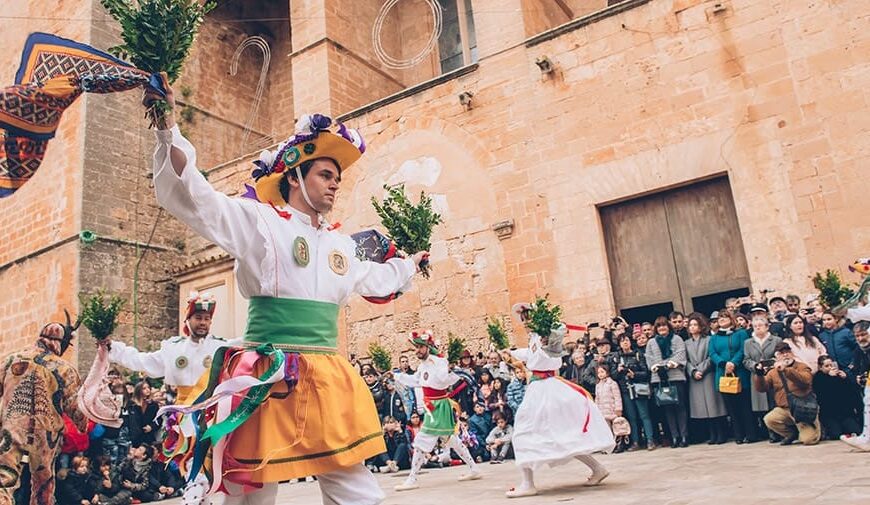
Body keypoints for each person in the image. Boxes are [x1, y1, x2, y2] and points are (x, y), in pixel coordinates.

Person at [142, 75, 429, 505]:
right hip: (266, 376)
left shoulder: (339, 244)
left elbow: (376, 279)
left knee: (356, 488)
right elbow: (199, 200)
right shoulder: (260, 223)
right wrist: (168, 128)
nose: (334, 184)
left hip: (327, 377)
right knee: (248, 493)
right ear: (295, 176)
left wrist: (409, 264)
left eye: (337, 178)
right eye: (326, 175)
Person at [504, 303, 614, 498]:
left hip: (546, 389)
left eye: (527, 318)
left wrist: (550, 336)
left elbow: (554, 344)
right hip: (541, 388)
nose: (525, 322)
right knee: (562, 434)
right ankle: (597, 468)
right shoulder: (535, 337)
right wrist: (512, 352)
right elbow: (531, 355)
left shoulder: (548, 336)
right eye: (523, 319)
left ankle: (528, 483)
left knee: (522, 432)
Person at [0, 316, 86, 505]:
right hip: (46, 435)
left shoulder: (10, 360)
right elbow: (75, 406)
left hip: (11, 427)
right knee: (43, 482)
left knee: (5, 477)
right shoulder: (64, 368)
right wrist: (83, 424)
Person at [393, 331, 481, 491]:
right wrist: (397, 377)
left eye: (420, 347)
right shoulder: (423, 366)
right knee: (452, 440)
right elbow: (416, 380)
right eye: (416, 347)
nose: (417, 350)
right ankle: (474, 468)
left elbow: (443, 380)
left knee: (421, 442)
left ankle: (412, 479)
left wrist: (449, 368)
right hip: (432, 407)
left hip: (438, 407)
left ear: (428, 347)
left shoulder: (439, 362)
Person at [107, 291, 228, 404]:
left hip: (212, 413)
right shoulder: (174, 349)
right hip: (183, 413)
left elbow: (246, 346)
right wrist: (112, 348)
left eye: (207, 319)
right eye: (198, 318)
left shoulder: (221, 347)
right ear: (187, 320)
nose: (203, 322)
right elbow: (143, 361)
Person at [754, 342, 820, 445]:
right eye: (781, 353)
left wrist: (786, 370)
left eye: (787, 352)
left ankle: (815, 429)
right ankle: (790, 434)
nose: (785, 355)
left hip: (802, 407)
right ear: (777, 356)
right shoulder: (773, 372)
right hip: (785, 408)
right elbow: (762, 388)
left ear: (792, 353)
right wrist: (759, 375)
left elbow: (805, 381)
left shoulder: (802, 366)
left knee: (808, 440)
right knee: (769, 419)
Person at [710, 310, 756, 444]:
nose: (722, 319)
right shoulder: (714, 337)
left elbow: (743, 350)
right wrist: (723, 363)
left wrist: (733, 363)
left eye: (725, 317)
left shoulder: (740, 333)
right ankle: (738, 435)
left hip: (739, 371)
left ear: (731, 319)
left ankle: (751, 434)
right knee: (732, 407)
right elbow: (712, 353)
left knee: (745, 406)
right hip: (723, 373)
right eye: (720, 318)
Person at [685, 313, 728, 445]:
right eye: (690, 325)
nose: (692, 327)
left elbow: (711, 356)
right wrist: (693, 371)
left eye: (695, 324)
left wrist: (701, 369)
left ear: (700, 326)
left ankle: (721, 434)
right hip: (695, 378)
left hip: (708, 375)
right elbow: (685, 360)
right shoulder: (686, 343)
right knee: (702, 408)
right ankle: (712, 434)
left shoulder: (709, 339)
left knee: (714, 405)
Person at [646, 317, 689, 448]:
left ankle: (684, 436)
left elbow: (680, 353)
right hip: (659, 378)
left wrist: (669, 364)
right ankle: (674, 437)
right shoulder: (651, 342)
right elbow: (649, 357)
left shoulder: (676, 339)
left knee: (680, 407)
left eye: (664, 326)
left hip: (675, 375)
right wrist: (656, 367)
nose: (662, 328)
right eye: (659, 326)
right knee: (668, 408)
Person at [742, 311, 782, 441]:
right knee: (761, 406)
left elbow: (779, 356)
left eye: (760, 325)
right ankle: (767, 431)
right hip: (757, 375)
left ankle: (778, 431)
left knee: (774, 402)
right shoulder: (748, 342)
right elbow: (746, 360)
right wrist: (754, 366)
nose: (758, 328)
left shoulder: (776, 340)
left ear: (767, 326)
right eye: (755, 326)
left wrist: (771, 364)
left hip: (772, 374)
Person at [613, 334, 654, 451]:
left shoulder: (638, 354)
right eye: (622, 341)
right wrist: (618, 370)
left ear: (630, 342)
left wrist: (634, 374)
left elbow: (646, 372)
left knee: (644, 415)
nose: (625, 343)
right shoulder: (617, 358)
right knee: (632, 418)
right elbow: (613, 376)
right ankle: (635, 442)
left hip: (638, 388)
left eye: (626, 340)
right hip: (625, 390)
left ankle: (650, 440)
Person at [813, 356, 861, 440]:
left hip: (845, 413)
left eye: (831, 365)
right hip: (830, 414)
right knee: (836, 435)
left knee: (855, 431)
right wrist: (830, 378)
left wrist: (846, 379)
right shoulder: (818, 378)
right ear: (820, 367)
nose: (830, 368)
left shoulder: (839, 376)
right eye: (827, 366)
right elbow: (823, 395)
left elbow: (850, 392)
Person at [842, 319, 870, 450]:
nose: (860, 338)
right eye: (857, 336)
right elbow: (855, 369)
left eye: (863, 334)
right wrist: (859, 378)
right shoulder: (859, 350)